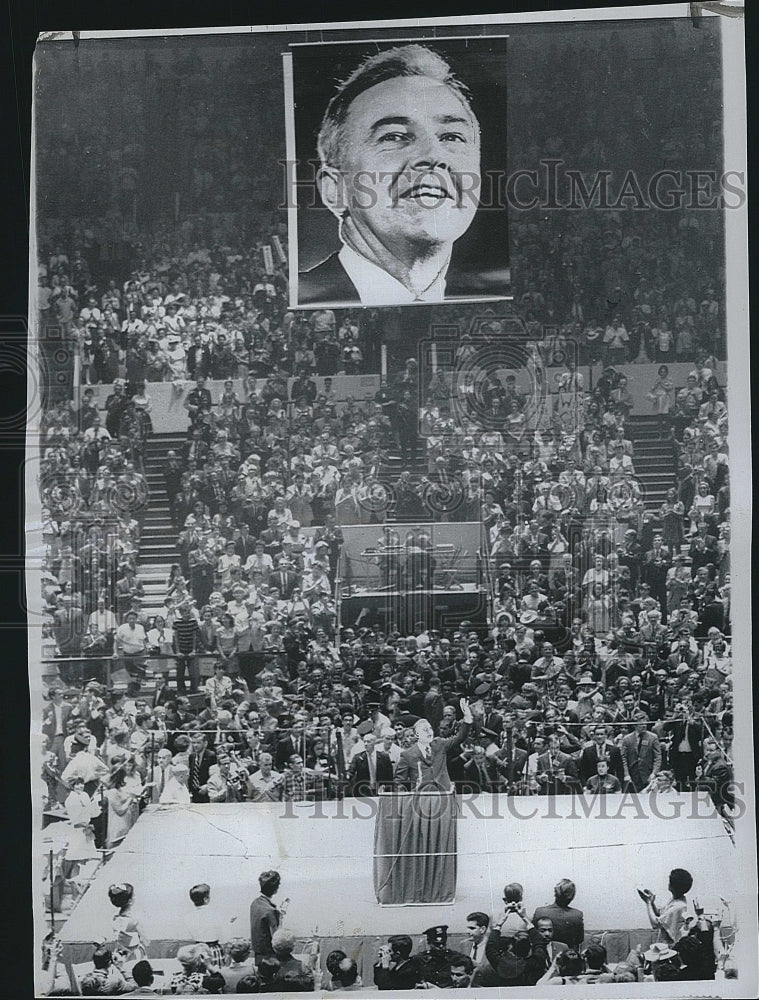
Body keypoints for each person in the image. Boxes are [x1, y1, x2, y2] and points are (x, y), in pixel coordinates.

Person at [299, 44, 492, 306]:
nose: (433, 156)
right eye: (394, 136)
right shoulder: (303, 297)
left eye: (451, 136)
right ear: (335, 189)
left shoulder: (489, 294)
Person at [394, 697, 472, 790]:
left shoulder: (439, 743)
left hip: (443, 795)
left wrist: (467, 718)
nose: (429, 732)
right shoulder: (407, 755)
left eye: (430, 729)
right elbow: (399, 782)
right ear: (417, 734)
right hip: (420, 798)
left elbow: (460, 737)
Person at [638, 867, 693, 945]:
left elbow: (655, 924)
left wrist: (648, 903)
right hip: (663, 944)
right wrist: (652, 902)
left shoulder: (679, 906)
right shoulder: (675, 899)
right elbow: (659, 914)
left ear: (674, 886)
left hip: (669, 947)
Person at [532, 879, 584, 951]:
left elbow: (533, 937)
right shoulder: (577, 915)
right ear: (571, 898)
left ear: (555, 894)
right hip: (568, 958)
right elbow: (580, 940)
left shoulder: (539, 912)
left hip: (542, 955)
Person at [415, 924, 472, 989]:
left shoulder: (456, 957)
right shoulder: (420, 959)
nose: (441, 947)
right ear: (429, 943)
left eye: (443, 943)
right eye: (437, 944)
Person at [249, 870, 288, 965]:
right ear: (276, 889)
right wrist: (281, 916)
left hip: (258, 955)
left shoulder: (254, 903)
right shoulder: (271, 911)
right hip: (270, 958)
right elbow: (277, 939)